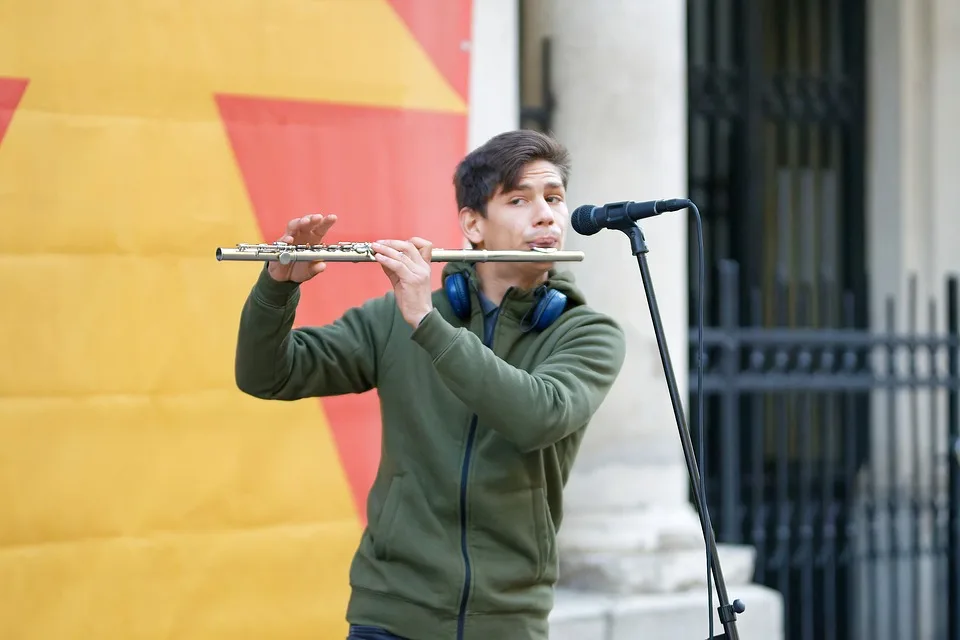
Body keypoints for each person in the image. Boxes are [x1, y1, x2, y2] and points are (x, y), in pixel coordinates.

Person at [233, 129, 626, 640]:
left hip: (506, 622)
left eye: (553, 198)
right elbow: (267, 375)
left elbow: (536, 416)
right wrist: (277, 286)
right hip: (390, 612)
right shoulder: (394, 319)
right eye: (519, 200)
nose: (546, 215)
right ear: (472, 224)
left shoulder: (586, 333)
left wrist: (426, 321)